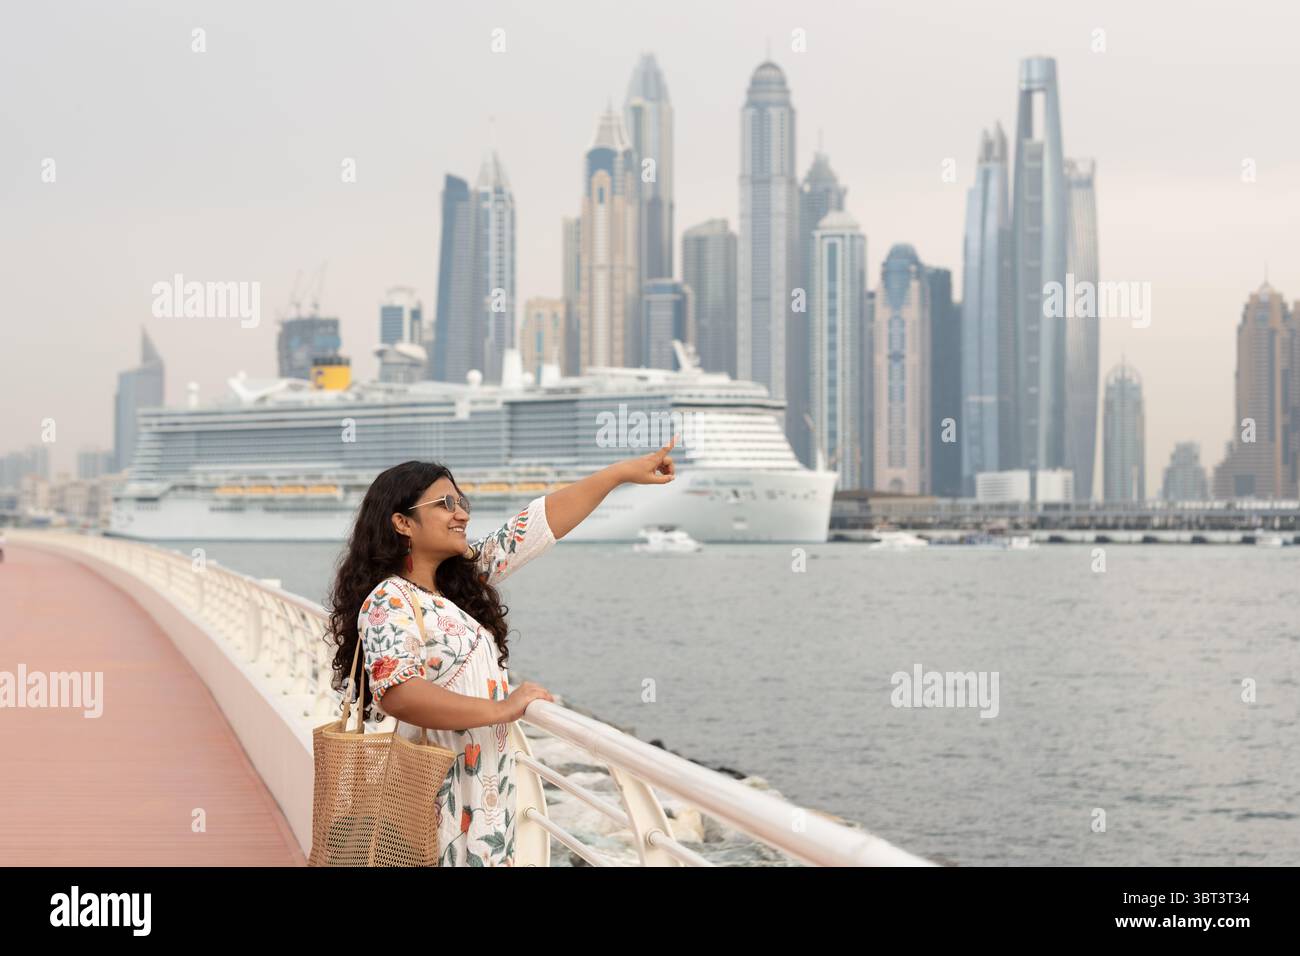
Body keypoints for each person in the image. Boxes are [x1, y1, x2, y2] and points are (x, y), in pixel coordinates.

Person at [325, 436, 677, 866]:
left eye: (461, 502)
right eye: (444, 505)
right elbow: (398, 693)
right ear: (402, 523)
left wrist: (619, 474)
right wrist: (503, 708)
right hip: (440, 798)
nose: (461, 513)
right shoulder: (390, 599)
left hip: (487, 795)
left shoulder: (457, 586)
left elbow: (534, 527)